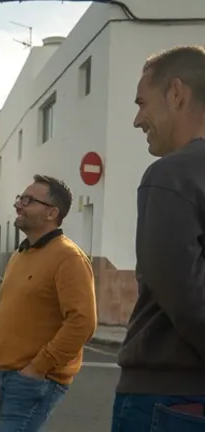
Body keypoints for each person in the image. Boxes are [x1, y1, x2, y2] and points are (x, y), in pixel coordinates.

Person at [112, 45, 205, 431]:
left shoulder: (171, 175)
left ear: (177, 93)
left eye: (142, 102)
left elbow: (188, 300)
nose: (137, 120)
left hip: (168, 399)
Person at [0, 175, 97, 432]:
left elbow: (82, 323)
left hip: (35, 380)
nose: (18, 205)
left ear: (52, 213)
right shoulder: (20, 255)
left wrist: (37, 368)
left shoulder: (68, 257)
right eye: (19, 198)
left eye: (28, 200)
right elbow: (4, 311)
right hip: (7, 376)